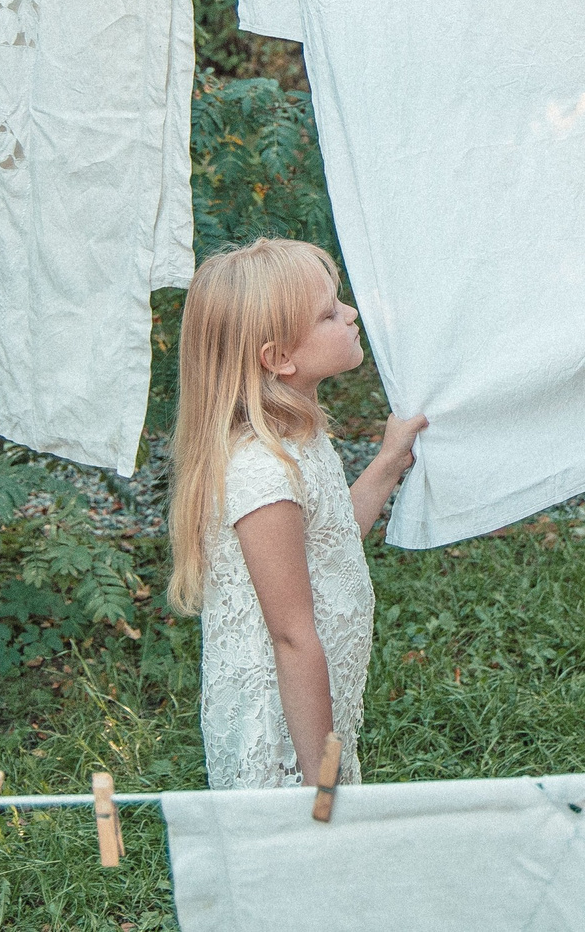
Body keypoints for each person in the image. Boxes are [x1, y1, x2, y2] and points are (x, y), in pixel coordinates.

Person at [167, 238, 429, 787]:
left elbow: (328, 540)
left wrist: (387, 463)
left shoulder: (296, 440)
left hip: (313, 709)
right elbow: (291, 635)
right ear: (279, 357)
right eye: (330, 313)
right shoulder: (263, 473)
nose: (351, 313)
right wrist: (321, 778)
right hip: (285, 735)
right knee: (300, 855)